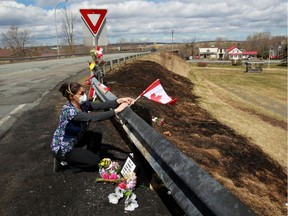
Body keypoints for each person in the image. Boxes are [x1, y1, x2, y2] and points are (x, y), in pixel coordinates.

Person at [51, 82, 134, 173]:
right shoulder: (70, 111)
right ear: (71, 96)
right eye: (81, 94)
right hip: (63, 148)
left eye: (84, 92)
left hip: (74, 140)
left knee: (96, 135)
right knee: (95, 162)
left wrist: (118, 101)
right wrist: (117, 110)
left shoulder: (82, 104)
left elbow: (98, 106)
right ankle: (65, 163)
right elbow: (93, 118)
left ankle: (87, 157)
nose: (85, 95)